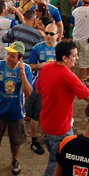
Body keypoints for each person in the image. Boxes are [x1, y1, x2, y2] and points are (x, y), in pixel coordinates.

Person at [35, 41, 89, 176]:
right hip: (60, 128)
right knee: (56, 163)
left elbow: (38, 91)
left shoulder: (46, 68)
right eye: (74, 56)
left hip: (46, 123)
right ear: (65, 58)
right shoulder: (68, 76)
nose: (76, 58)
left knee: (55, 154)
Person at [0, 41, 33, 176]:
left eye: (12, 56)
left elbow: (28, 92)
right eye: (8, 54)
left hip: (16, 112)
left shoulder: (27, 69)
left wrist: (23, 74)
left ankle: (15, 160)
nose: (8, 58)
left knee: (16, 140)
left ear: (20, 58)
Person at [26, 23, 58, 155]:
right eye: (46, 33)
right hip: (39, 86)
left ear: (58, 35)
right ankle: (34, 140)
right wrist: (41, 65)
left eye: (51, 34)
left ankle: (48, 136)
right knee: (36, 115)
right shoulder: (37, 48)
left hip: (55, 88)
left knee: (51, 113)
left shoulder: (61, 49)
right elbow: (30, 66)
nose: (48, 36)